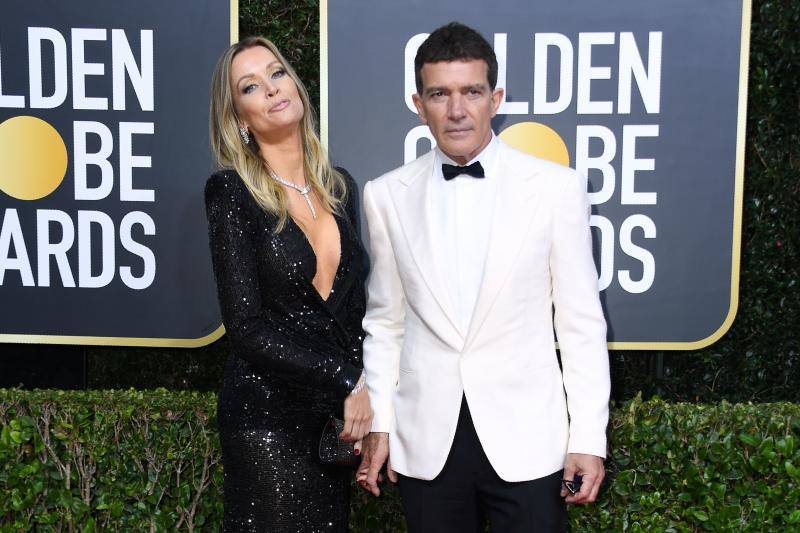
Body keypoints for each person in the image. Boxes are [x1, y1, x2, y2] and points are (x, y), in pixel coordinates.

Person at [356, 22, 611, 532]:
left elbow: (580, 322)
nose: (456, 110)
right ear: (418, 102)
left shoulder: (556, 189)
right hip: (429, 442)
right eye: (439, 94)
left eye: (471, 91)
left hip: (528, 440)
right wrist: (381, 422)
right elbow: (386, 323)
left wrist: (588, 437)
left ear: (494, 98)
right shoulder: (384, 195)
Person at [205, 36, 372, 532]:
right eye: (251, 86)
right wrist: (351, 379)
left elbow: (351, 313)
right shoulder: (232, 192)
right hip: (265, 421)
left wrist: (361, 398)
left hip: (332, 425)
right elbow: (247, 328)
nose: (272, 89)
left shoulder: (340, 188)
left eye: (277, 73)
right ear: (239, 116)